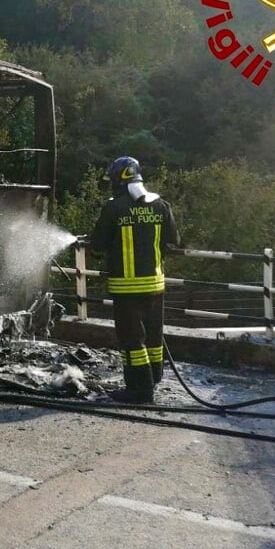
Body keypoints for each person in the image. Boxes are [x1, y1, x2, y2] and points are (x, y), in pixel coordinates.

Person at [89, 156, 180, 404]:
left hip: (126, 288)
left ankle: (139, 390)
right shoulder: (160, 204)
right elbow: (173, 241)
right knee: (153, 336)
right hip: (155, 285)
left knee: (132, 340)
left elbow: (97, 246)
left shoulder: (114, 208)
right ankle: (154, 378)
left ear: (119, 179)